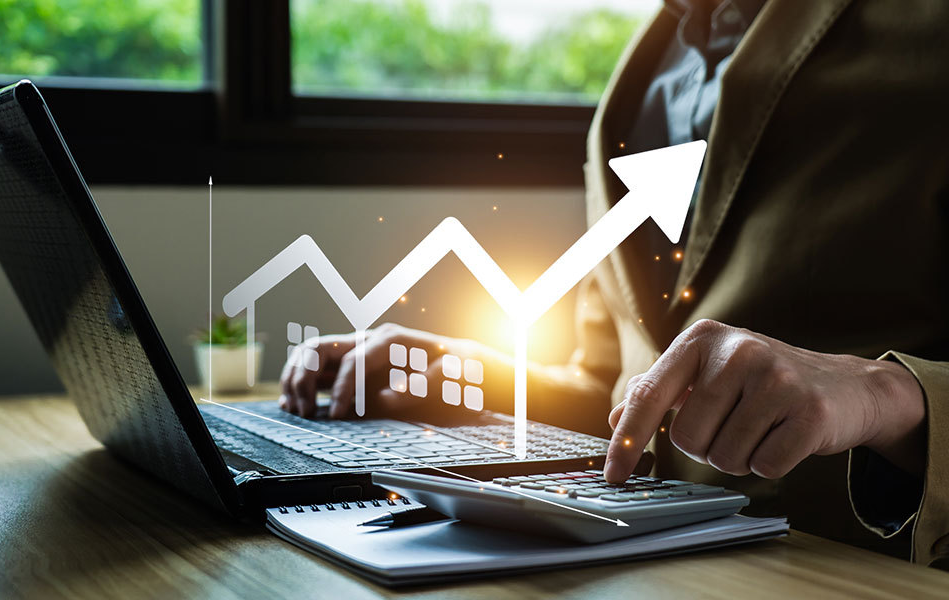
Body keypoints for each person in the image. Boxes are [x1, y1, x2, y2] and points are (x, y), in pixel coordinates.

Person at [279, 0, 949, 568]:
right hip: (635, 556)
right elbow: (615, 390)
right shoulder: (648, 66)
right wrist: (466, 374)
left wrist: (887, 395)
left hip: (832, 568)